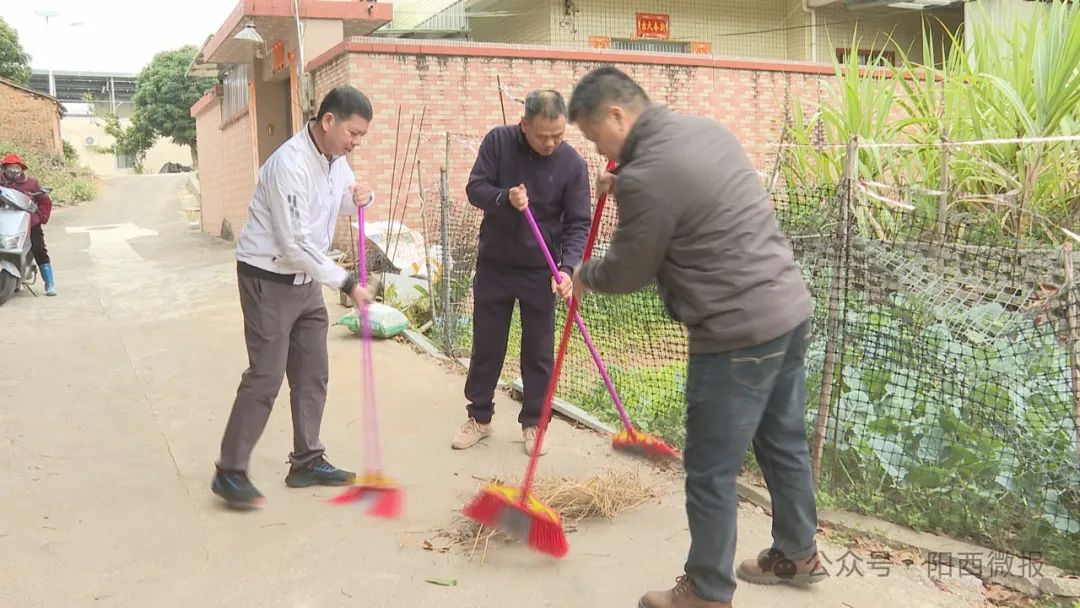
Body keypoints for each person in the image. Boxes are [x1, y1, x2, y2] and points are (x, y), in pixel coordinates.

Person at [567, 66, 826, 608]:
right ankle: (798, 553)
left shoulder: (647, 177)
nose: (596, 150)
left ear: (618, 115)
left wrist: (583, 275)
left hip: (735, 335)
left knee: (710, 469)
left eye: (595, 137)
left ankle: (707, 591)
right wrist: (625, 181)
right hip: (787, 309)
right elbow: (680, 196)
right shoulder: (706, 131)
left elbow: (629, 269)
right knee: (783, 442)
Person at [212, 85, 377, 509]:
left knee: (312, 373)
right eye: (353, 134)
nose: (355, 143)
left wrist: (362, 196)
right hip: (268, 278)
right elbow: (293, 244)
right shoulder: (288, 163)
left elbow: (339, 200)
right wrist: (345, 282)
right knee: (265, 377)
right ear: (328, 121)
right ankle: (229, 472)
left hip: (305, 282)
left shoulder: (335, 161)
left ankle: (306, 459)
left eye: (361, 136)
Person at [452, 90, 591, 456]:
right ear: (524, 125)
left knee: (539, 351)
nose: (551, 143)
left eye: (559, 135)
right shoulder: (499, 143)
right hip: (496, 263)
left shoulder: (572, 165)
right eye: (543, 135)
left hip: (540, 270)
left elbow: (579, 224)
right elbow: (475, 187)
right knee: (487, 345)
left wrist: (566, 269)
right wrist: (505, 199)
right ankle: (479, 417)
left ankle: (534, 424)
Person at [1, 153, 56, 296]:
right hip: (4, 222)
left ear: (21, 168)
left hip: (29, 223)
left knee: (39, 249)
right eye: (10, 167)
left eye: (16, 167)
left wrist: (39, 217)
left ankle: (49, 283)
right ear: (4, 168)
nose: (13, 170)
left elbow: (45, 201)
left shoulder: (32, 183)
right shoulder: (1, 183)